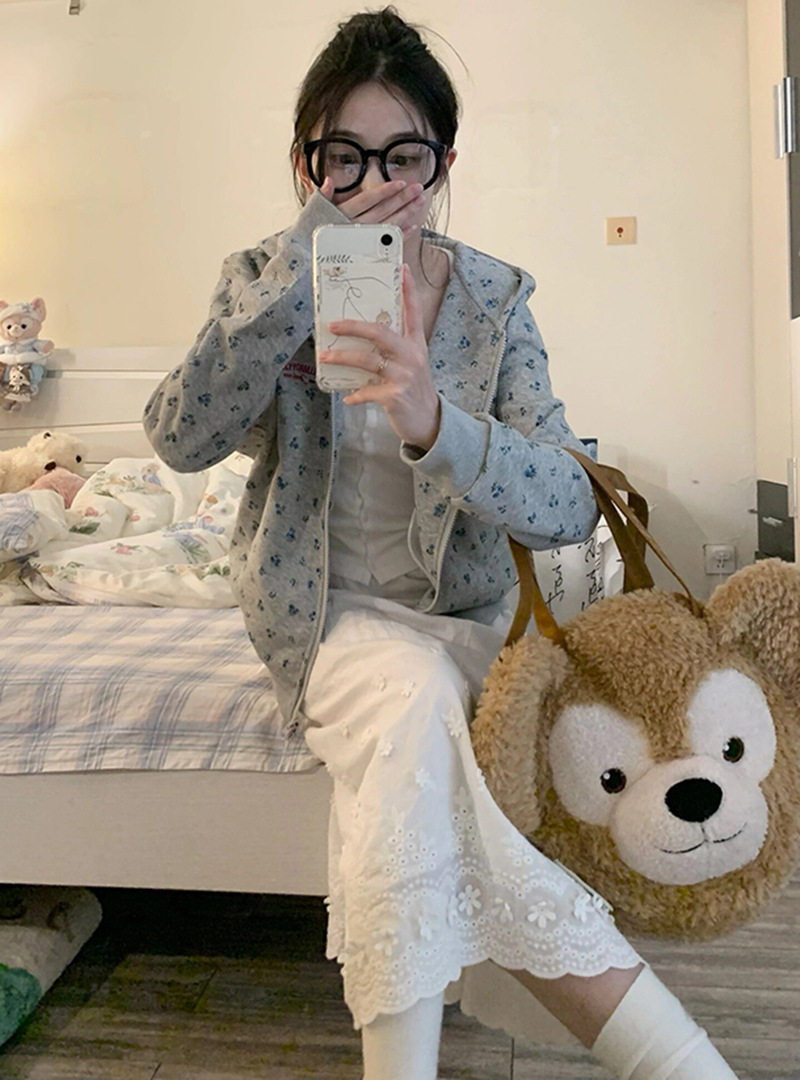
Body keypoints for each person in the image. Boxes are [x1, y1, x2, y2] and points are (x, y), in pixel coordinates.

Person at [143, 9, 741, 1079]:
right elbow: (179, 438)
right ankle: (678, 1063)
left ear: (443, 164)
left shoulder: (493, 302)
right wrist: (293, 285)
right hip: (324, 624)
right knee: (407, 697)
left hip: (468, 629)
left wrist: (435, 424)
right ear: (305, 165)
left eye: (403, 156)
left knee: (421, 705)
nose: (374, 183)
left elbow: (567, 500)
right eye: (343, 157)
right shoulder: (260, 280)